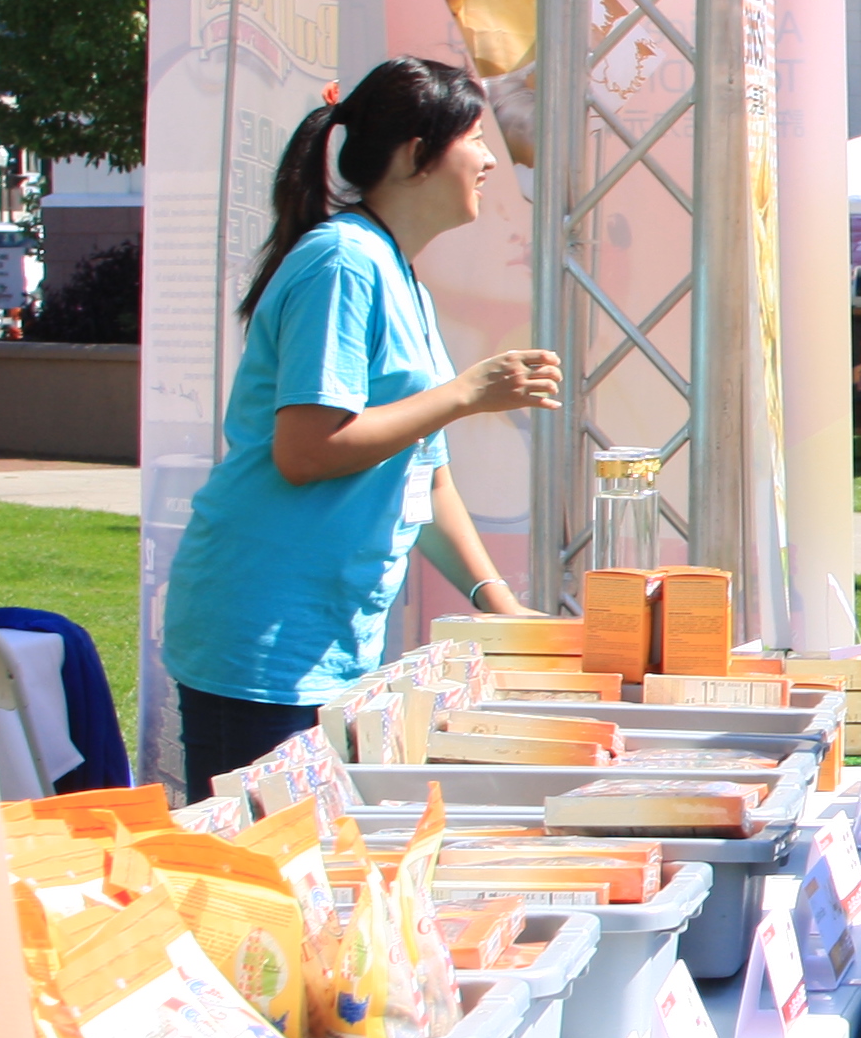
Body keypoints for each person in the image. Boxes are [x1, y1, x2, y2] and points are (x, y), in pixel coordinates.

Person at [158, 57, 560, 801]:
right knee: (262, 866)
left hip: (324, 643)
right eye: (475, 138)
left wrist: (499, 604)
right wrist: (467, 393)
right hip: (262, 641)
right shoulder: (342, 262)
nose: (488, 161)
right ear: (415, 154)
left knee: (320, 859)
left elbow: (424, 477)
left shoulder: (393, 271)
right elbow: (308, 449)